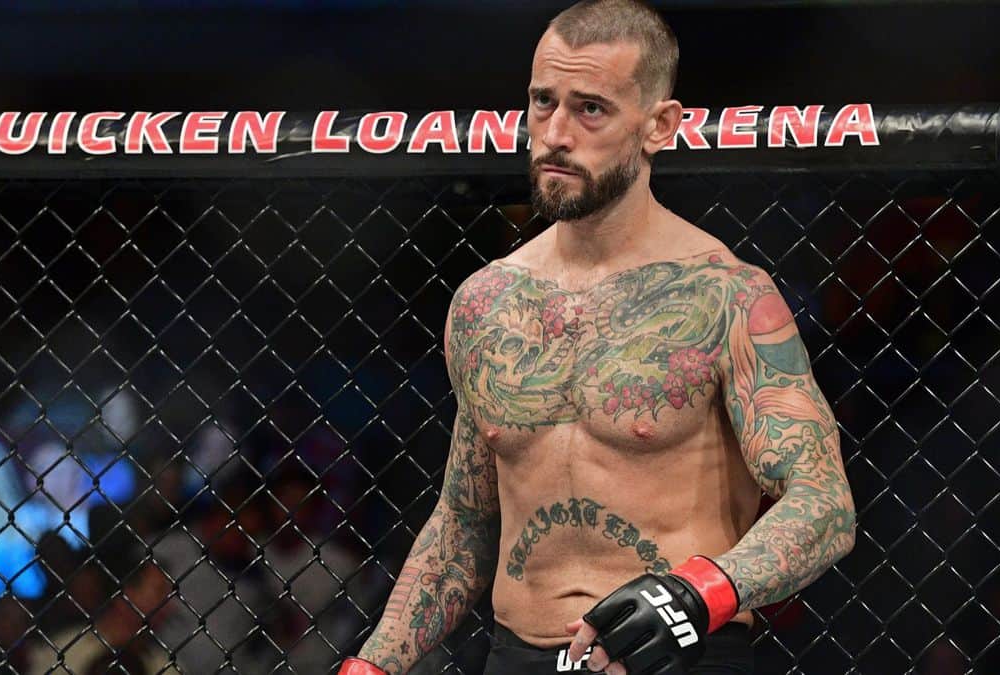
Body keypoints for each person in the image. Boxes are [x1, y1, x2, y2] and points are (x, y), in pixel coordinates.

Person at [338, 1, 856, 673]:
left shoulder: (726, 296)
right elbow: (464, 520)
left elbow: (823, 503)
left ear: (658, 126)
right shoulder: (486, 302)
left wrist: (694, 594)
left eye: (590, 109)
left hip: (676, 654)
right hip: (515, 656)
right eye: (543, 102)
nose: (556, 134)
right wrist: (374, 662)